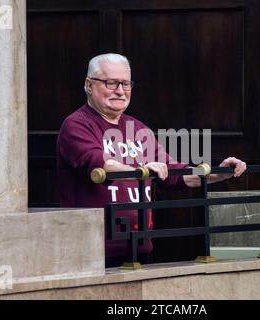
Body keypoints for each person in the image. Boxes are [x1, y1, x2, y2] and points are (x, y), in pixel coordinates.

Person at [57, 53, 246, 267]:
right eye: (111, 83)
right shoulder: (76, 125)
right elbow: (100, 165)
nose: (120, 90)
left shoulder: (139, 129)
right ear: (89, 85)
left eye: (126, 83)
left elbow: (174, 175)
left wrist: (219, 173)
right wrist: (142, 169)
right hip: (92, 251)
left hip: (139, 246)